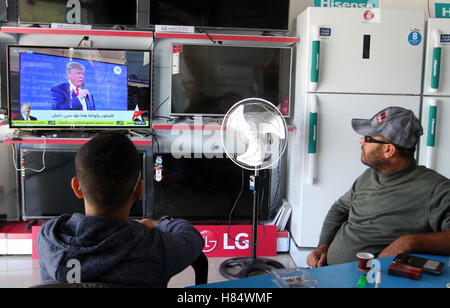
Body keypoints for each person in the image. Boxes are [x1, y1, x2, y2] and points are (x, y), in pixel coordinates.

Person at [37, 132, 204, 287]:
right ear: (139, 190)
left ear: (77, 188)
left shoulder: (49, 238)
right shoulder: (158, 248)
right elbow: (192, 237)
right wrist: (159, 223)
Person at [307, 107, 450, 267]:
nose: (361, 141)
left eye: (368, 138)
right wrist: (323, 245)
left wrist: (409, 242)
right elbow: (339, 209)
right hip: (330, 273)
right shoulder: (370, 175)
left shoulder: (436, 189)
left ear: (388, 150)